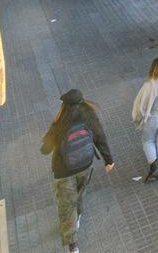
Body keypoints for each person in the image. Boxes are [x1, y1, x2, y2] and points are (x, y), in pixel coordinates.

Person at [40, 89, 114, 253]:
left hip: (63, 172)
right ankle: (78, 215)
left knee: (67, 206)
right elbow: (100, 137)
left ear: (64, 106)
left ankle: (73, 245)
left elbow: (45, 149)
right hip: (85, 165)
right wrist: (109, 160)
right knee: (80, 193)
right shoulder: (89, 115)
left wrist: (46, 143)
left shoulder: (60, 122)